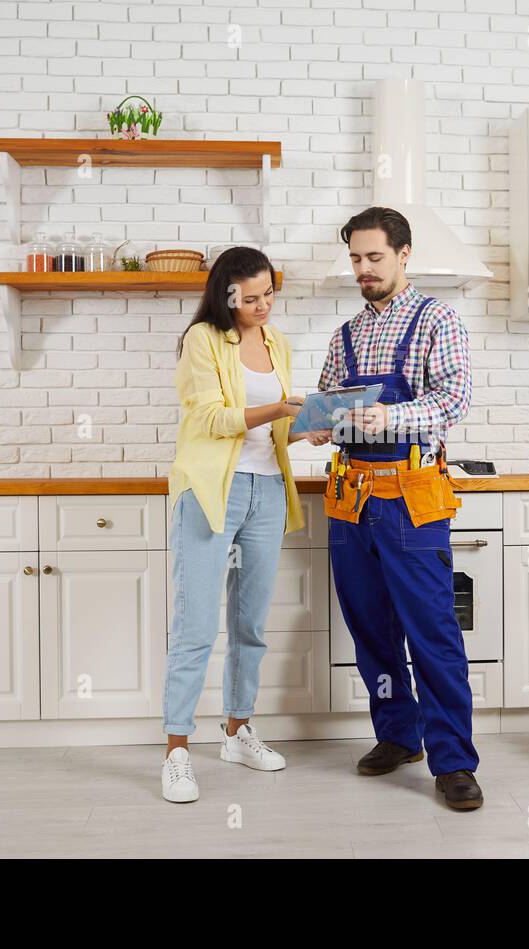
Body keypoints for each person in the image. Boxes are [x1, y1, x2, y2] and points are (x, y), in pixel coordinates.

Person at [317, 207, 483, 810]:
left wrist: (389, 415)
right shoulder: (346, 336)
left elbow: (455, 398)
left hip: (412, 497)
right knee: (371, 631)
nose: (362, 269)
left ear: (404, 254)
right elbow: (335, 406)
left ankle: (454, 762)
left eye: (374, 258)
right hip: (350, 497)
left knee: (432, 632)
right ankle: (397, 734)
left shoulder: (439, 319)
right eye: (356, 259)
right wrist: (319, 424)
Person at [161, 246, 331, 804]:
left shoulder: (277, 342)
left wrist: (303, 429)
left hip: (267, 490)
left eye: (269, 295)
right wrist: (278, 410)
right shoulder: (202, 340)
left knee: (251, 621)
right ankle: (177, 751)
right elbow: (212, 419)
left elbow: (271, 428)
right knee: (194, 624)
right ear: (226, 295)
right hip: (213, 489)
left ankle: (237, 731)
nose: (263, 306)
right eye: (250, 298)